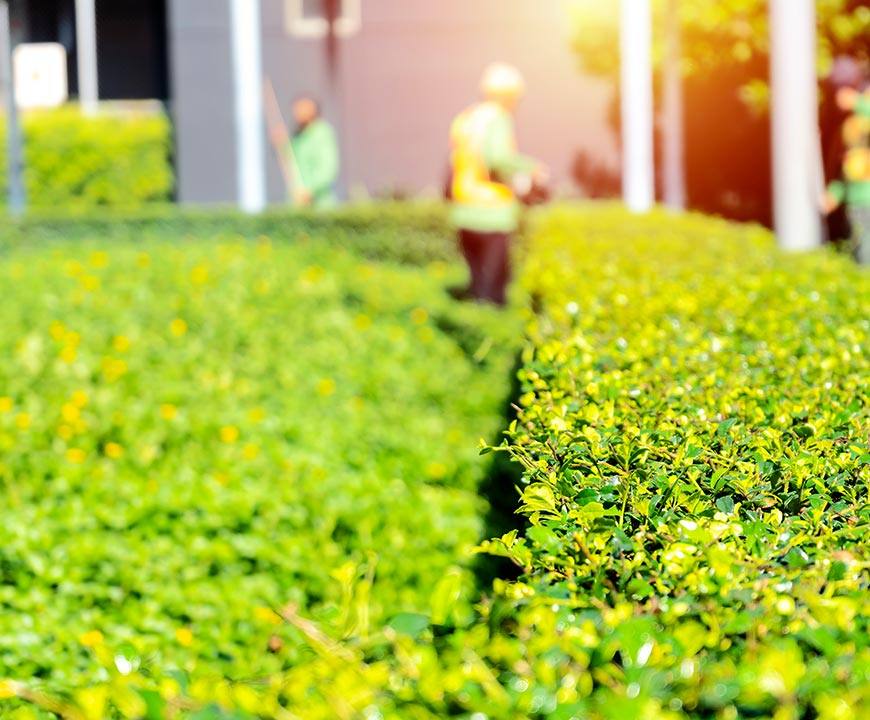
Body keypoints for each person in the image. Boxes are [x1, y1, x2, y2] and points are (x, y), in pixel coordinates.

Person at [447, 63, 547, 305]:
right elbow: (498, 158)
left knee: (477, 288)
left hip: (464, 210)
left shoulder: (468, 117)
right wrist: (531, 169)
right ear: (509, 96)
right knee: (493, 294)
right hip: (492, 212)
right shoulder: (498, 117)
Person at [822, 80, 870, 265]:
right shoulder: (852, 129)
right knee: (859, 256)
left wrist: (856, 101)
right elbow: (844, 174)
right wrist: (835, 194)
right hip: (855, 205)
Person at [270, 96, 339, 208]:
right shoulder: (298, 136)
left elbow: (328, 169)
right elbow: (291, 159)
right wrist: (281, 144)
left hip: (318, 204)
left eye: (302, 108)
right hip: (297, 202)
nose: (297, 112)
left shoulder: (322, 132)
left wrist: (309, 191)